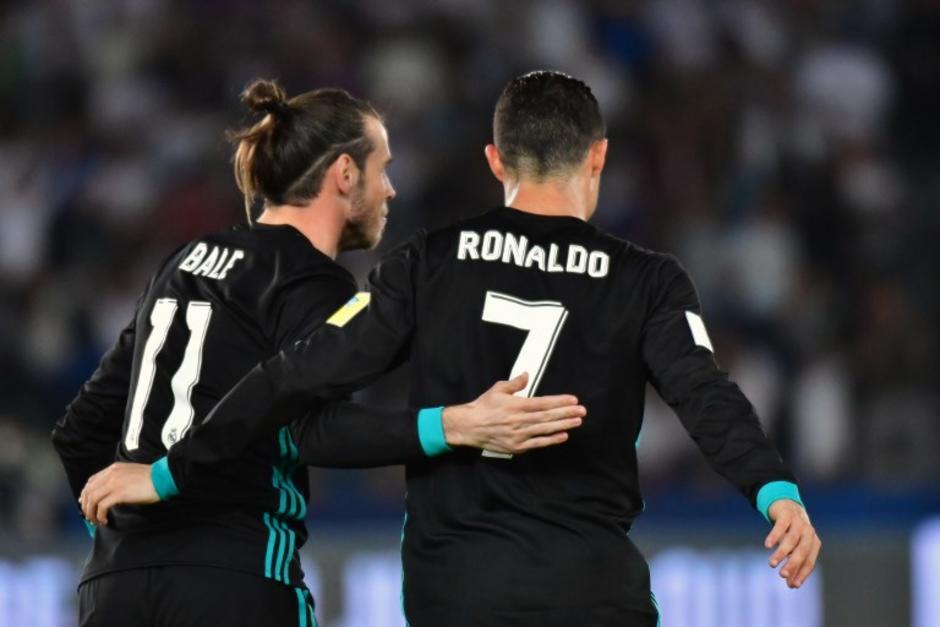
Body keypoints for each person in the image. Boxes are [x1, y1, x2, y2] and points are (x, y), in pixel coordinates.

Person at [83, 71, 821, 626]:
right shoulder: (647, 279)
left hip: (455, 591)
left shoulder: (427, 262)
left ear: (496, 160)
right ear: (597, 157)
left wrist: (170, 472)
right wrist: (774, 491)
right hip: (593, 589)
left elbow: (294, 377)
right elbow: (705, 393)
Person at [53, 78, 585, 627]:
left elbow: (79, 429)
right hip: (236, 574)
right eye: (383, 169)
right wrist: (457, 425)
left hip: (113, 586)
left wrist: (116, 528)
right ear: (345, 173)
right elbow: (316, 431)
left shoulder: (184, 261)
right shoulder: (309, 281)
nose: (390, 191)